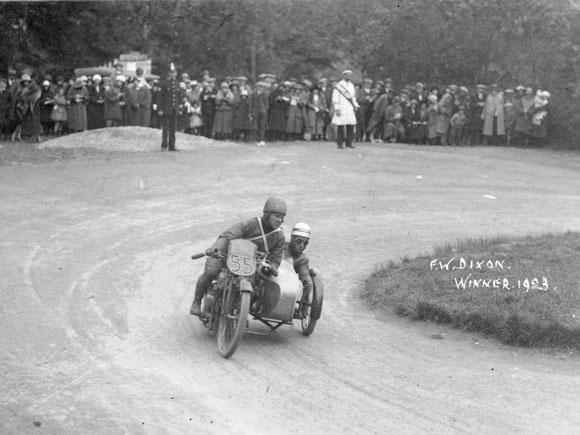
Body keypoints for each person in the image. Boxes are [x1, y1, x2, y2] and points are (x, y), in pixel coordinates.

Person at [190, 196, 287, 316]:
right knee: (211, 271)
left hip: (252, 264)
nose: (280, 220)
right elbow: (228, 236)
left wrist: (272, 266)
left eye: (282, 218)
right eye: (277, 216)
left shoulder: (279, 236)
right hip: (228, 256)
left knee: (259, 288)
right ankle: (196, 302)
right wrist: (216, 248)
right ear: (267, 214)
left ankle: (241, 312)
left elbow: (276, 257)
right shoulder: (251, 224)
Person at [283, 222, 313, 315]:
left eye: (305, 243)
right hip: (272, 279)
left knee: (308, 283)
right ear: (292, 239)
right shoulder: (279, 247)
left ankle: (302, 310)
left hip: (288, 288)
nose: (302, 246)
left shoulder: (302, 259)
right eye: (299, 241)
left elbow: (306, 279)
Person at [156, 63, 182, 151]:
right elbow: (159, 97)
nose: (173, 74)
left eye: (174, 72)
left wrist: (179, 108)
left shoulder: (177, 83)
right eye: (171, 72)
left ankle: (172, 146)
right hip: (166, 109)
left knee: (173, 129)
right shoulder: (164, 83)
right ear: (169, 73)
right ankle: (164, 145)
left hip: (174, 109)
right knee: (165, 129)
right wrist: (160, 109)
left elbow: (179, 97)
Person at [331, 69, 359, 149]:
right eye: (347, 75)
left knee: (351, 126)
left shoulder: (351, 85)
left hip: (349, 108)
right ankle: (340, 143)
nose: (348, 76)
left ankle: (349, 143)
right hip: (342, 107)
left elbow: (353, 97)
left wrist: (355, 105)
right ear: (344, 76)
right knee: (340, 126)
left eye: (350, 75)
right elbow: (335, 97)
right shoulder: (339, 85)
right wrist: (337, 108)